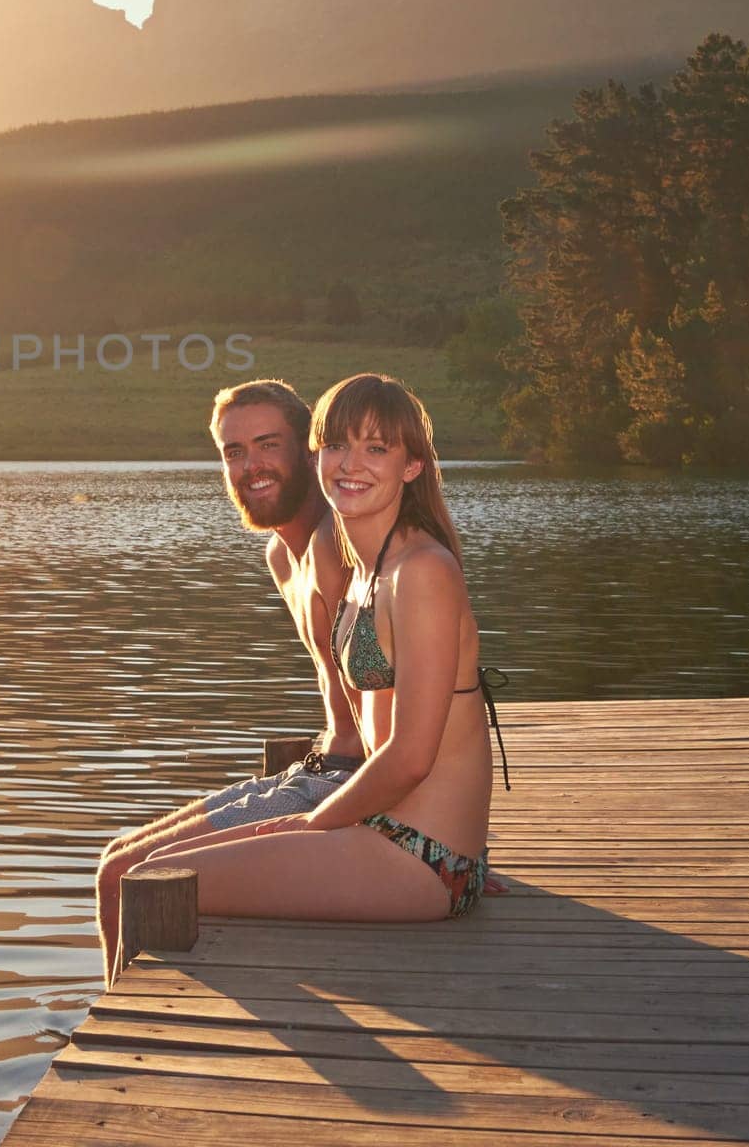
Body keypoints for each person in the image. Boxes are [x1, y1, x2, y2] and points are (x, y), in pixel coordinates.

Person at [115, 372, 500, 954]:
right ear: (319, 454)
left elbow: (412, 757)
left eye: (377, 449)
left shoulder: (421, 571)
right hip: (384, 829)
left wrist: (305, 823)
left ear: (413, 465)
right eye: (339, 445)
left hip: (425, 858)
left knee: (145, 880)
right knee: (144, 869)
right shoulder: (370, 565)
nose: (351, 464)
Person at [94, 378, 364, 982]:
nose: (250, 466)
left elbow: (397, 708)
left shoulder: (334, 547)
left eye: (267, 445)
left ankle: (130, 1020)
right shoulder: (280, 554)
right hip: (318, 769)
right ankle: (115, 1002)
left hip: (346, 788)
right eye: (233, 452)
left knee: (127, 876)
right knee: (115, 860)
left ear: (306, 449)